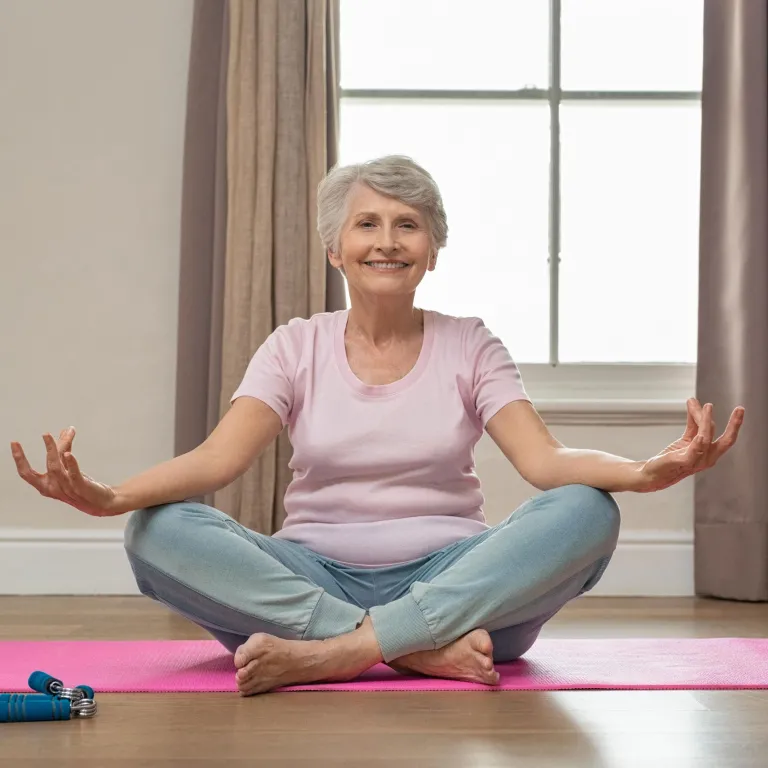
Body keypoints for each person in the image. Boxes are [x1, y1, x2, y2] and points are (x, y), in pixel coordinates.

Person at [11, 156, 745, 696]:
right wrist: (110, 500)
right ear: (336, 249)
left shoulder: (471, 342)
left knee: (586, 509)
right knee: (156, 531)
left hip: (458, 584)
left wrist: (647, 472)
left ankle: (337, 653)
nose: (387, 240)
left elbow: (545, 462)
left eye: (407, 225)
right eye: (367, 224)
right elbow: (215, 461)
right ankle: (407, 649)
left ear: (431, 250)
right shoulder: (295, 344)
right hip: (309, 582)